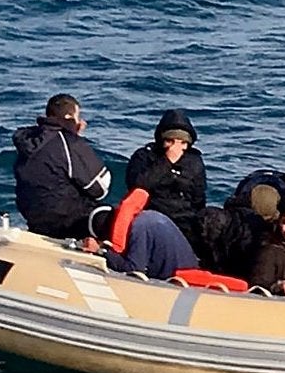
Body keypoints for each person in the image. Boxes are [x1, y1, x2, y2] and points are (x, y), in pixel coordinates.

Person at [12, 93, 112, 238]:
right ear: (69, 118)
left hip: (34, 218)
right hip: (66, 221)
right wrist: (76, 139)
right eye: (78, 117)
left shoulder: (30, 139)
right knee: (110, 217)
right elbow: (99, 190)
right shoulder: (69, 143)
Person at [125, 109, 207, 246]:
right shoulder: (145, 156)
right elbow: (137, 185)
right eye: (170, 141)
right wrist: (166, 162)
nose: (176, 147)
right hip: (152, 216)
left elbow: (199, 199)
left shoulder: (194, 161)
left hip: (184, 222)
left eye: (182, 142)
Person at [85, 198, 197, 281]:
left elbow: (134, 269)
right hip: (187, 265)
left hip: (180, 279)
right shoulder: (147, 217)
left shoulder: (139, 229)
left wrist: (101, 251)